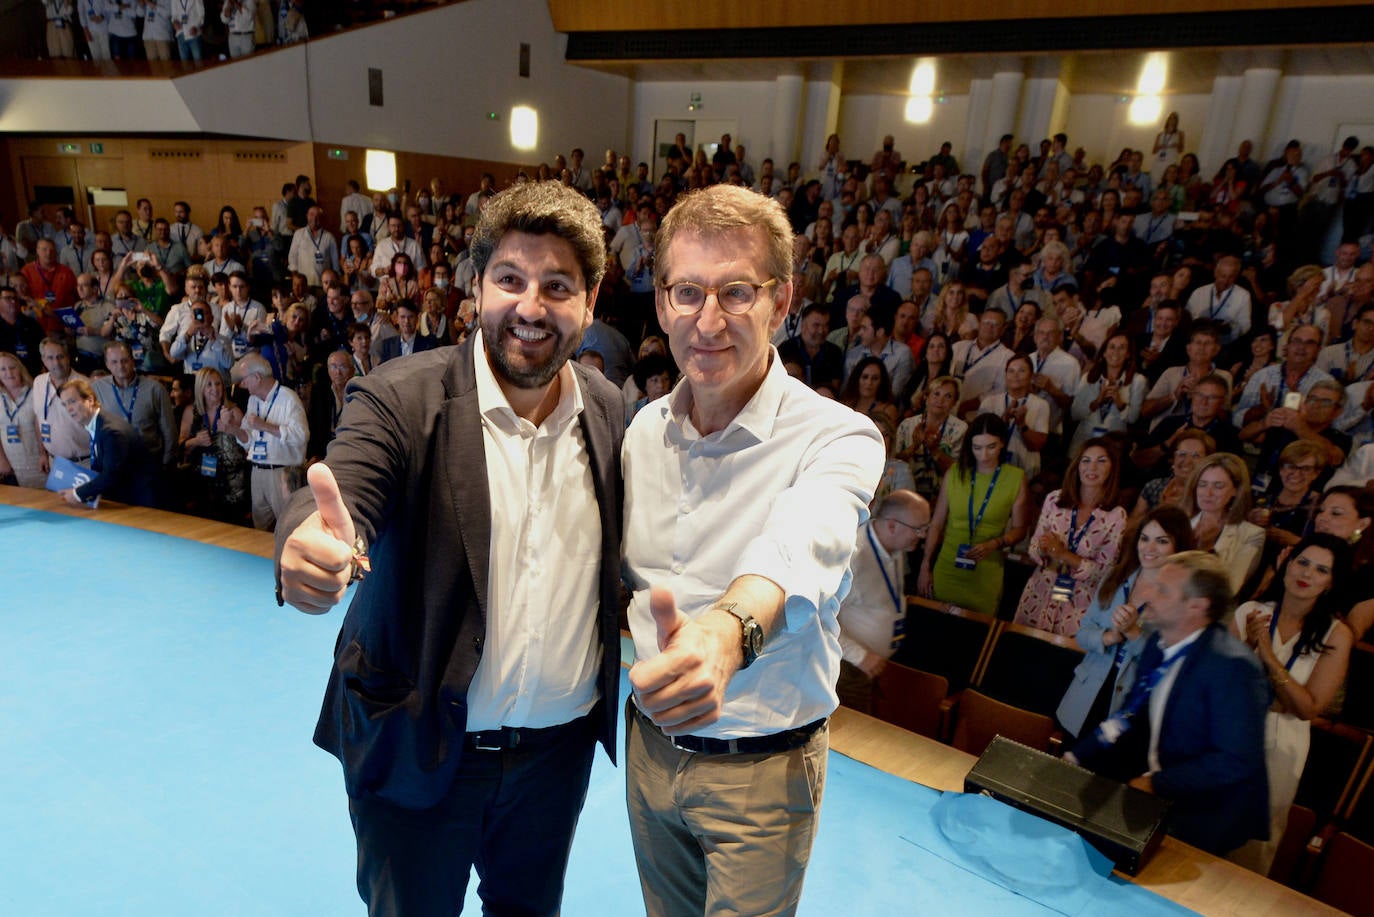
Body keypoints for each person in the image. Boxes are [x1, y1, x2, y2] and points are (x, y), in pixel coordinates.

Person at [275, 181, 624, 916]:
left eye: (557, 286)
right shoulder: (401, 397)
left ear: (589, 303)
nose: (531, 306)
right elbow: (341, 489)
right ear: (476, 288)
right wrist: (310, 540)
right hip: (418, 741)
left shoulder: (612, 410)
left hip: (554, 762)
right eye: (510, 279)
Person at [621, 184, 883, 917]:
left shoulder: (838, 435)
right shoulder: (641, 432)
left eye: (736, 292)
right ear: (662, 300)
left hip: (762, 772)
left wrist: (729, 631)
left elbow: (805, 540)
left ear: (783, 299)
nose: (708, 321)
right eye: (687, 291)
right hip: (647, 752)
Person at [1066, 551, 1270, 858]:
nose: (1148, 594)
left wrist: (1157, 784)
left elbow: (1235, 760)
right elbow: (1131, 715)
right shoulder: (1157, 645)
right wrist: (1077, 757)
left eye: (1163, 589)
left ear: (1197, 605)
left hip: (1209, 817)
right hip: (1164, 797)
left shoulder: (1233, 667)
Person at [1229, 534, 1354, 874]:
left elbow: (1307, 708)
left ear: (1331, 582)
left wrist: (1267, 655)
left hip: (1281, 742)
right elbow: (1221, 681)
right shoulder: (1251, 611)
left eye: (1321, 569)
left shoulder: (1336, 634)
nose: (1307, 573)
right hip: (1231, 729)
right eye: (1302, 562)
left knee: (1251, 849)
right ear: (1287, 563)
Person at [1057, 505, 1196, 740]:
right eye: (1145, 538)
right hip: (1086, 695)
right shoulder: (1117, 576)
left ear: (1179, 547)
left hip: (1130, 706)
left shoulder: (1184, 598)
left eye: (1162, 541)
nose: (1149, 548)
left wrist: (1133, 633)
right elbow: (1082, 633)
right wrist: (1107, 637)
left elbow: (1168, 662)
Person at [918, 413, 1031, 617]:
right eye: (977, 448)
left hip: (985, 571)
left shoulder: (1015, 478)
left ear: (1002, 443)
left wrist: (996, 543)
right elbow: (936, 523)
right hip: (948, 565)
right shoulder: (955, 473)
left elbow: (1020, 529)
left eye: (991, 447)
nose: (984, 455)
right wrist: (926, 564)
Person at [1016, 438, 1128, 636]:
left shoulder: (1116, 515)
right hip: (1040, 592)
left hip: (1078, 604)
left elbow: (1104, 571)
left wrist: (1063, 554)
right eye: (1086, 460)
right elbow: (1033, 546)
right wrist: (1042, 548)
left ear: (1112, 468)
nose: (1092, 467)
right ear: (1077, 465)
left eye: (1101, 461)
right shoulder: (1054, 499)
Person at [836, 489, 932, 713]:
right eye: (919, 529)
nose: (923, 536)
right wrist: (859, 656)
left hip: (873, 665)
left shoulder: (897, 547)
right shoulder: (854, 556)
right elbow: (820, 618)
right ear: (892, 525)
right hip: (849, 667)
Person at [230, 352, 306, 531]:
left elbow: (301, 436)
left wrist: (265, 426)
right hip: (257, 471)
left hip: (282, 473)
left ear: (256, 377)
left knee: (289, 527)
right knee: (259, 529)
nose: (242, 384)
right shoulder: (253, 400)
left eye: (245, 379)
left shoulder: (289, 398)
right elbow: (248, 440)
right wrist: (232, 429)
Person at [56, 377, 158, 507]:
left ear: (90, 400)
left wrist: (77, 494)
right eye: (65, 404)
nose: (69, 409)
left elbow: (110, 475)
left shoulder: (112, 432)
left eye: (72, 402)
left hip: (139, 501)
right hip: (124, 498)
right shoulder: (97, 424)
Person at [1183, 452, 1265, 593]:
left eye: (1218, 486)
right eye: (1202, 484)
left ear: (1235, 490)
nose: (1208, 493)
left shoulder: (1251, 534)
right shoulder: (1180, 521)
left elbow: (1230, 588)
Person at [177, 366, 248, 523]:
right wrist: (195, 441)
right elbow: (181, 445)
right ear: (200, 387)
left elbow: (247, 442)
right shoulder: (191, 411)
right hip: (202, 482)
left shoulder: (233, 411)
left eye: (218, 384)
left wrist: (231, 427)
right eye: (209, 384)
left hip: (232, 483)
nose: (214, 389)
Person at [1069, 332, 1146, 451]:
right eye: (1112, 347)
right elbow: (1075, 414)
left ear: (1128, 354)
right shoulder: (1089, 378)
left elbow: (1132, 419)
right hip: (1084, 440)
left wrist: (1119, 402)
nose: (1116, 352)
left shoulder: (1138, 381)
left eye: (1122, 347)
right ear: (1104, 352)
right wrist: (1097, 401)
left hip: (1114, 443)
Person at [1133, 430, 1214, 518]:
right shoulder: (1154, 486)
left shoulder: (1207, 495)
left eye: (1196, 456)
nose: (1187, 461)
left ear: (1206, 462)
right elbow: (1133, 523)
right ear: (1173, 459)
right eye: (1182, 454)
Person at [0, 351, 44, 487]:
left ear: (20, 369)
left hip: (39, 464)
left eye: (12, 367)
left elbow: (44, 428)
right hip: (11, 466)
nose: (9, 372)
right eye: (2, 369)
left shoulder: (35, 392)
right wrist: (1, 461)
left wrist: (44, 454)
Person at [840, 354, 898, 428]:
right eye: (865, 377)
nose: (869, 382)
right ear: (857, 379)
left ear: (881, 382)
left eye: (875, 378)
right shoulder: (846, 404)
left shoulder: (888, 410)